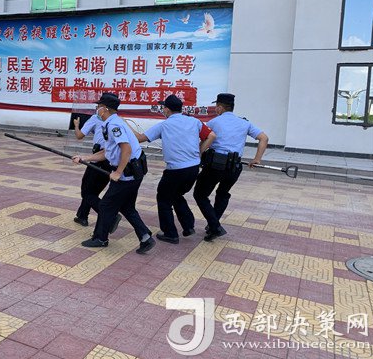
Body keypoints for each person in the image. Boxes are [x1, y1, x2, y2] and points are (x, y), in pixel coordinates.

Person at [72, 92, 155, 255]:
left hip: (127, 174)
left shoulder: (114, 125)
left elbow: (126, 149)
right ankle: (145, 237)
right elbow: (107, 152)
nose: (97, 109)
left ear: (105, 108)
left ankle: (100, 238)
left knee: (105, 205)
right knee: (127, 207)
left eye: (98, 107)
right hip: (133, 173)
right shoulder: (111, 123)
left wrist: (118, 172)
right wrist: (85, 158)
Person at [132, 95, 216, 244]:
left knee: (163, 198)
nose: (163, 110)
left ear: (167, 109)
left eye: (163, 107)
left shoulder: (164, 125)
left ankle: (170, 233)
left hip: (175, 170)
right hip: (193, 168)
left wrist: (125, 124)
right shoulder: (194, 121)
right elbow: (211, 136)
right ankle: (188, 226)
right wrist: (199, 152)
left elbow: (139, 138)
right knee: (176, 194)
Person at [193, 93, 269, 241]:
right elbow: (264, 138)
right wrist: (257, 159)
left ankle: (215, 226)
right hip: (234, 167)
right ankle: (213, 226)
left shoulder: (213, 122)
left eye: (216, 106)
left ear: (220, 107)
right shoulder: (244, 123)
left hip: (214, 165)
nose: (216, 109)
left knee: (200, 195)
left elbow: (205, 139)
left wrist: (198, 154)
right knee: (222, 194)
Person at [72, 114, 112, 227]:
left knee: (87, 191)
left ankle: (109, 216)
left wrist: (76, 125)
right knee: (92, 191)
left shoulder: (95, 118)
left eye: (99, 106)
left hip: (98, 157)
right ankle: (82, 216)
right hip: (111, 160)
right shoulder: (117, 120)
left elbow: (79, 135)